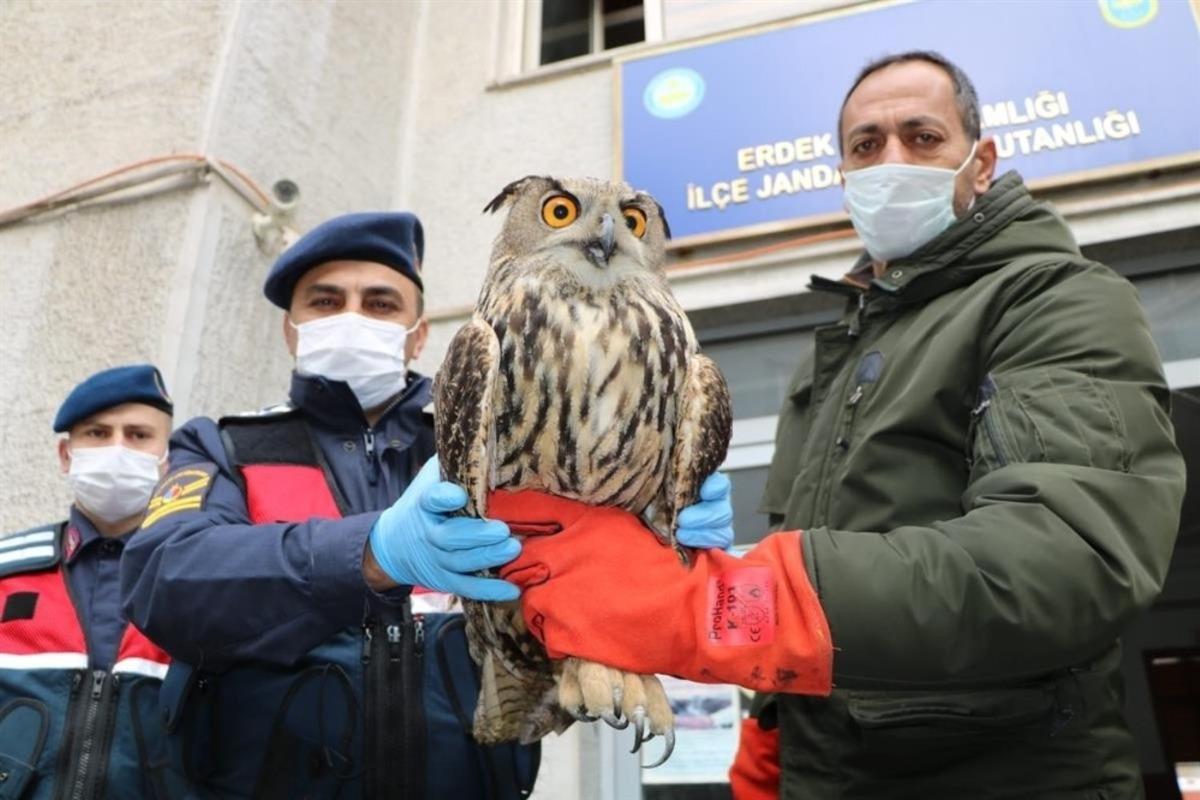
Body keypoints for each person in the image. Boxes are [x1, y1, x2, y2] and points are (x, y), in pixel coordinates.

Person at [494, 51, 1186, 798]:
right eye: (866, 145)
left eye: (923, 138)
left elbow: (1065, 562)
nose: (892, 160)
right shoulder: (839, 351)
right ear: (844, 176)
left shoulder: (1056, 301)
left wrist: (722, 608)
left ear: (981, 164)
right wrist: (773, 730)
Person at [119, 211, 736, 799]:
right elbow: (162, 581)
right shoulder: (224, 445)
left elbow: (558, 593)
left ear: (418, 335)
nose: (352, 317)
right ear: (291, 328)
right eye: (326, 302)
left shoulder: (499, 431)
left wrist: (648, 535)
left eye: (380, 304)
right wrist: (369, 553)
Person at [0, 364, 183, 799]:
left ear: (168, 462)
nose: (117, 449)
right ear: (66, 455)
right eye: (98, 434)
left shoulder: (197, 585)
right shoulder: (7, 573)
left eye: (138, 435)